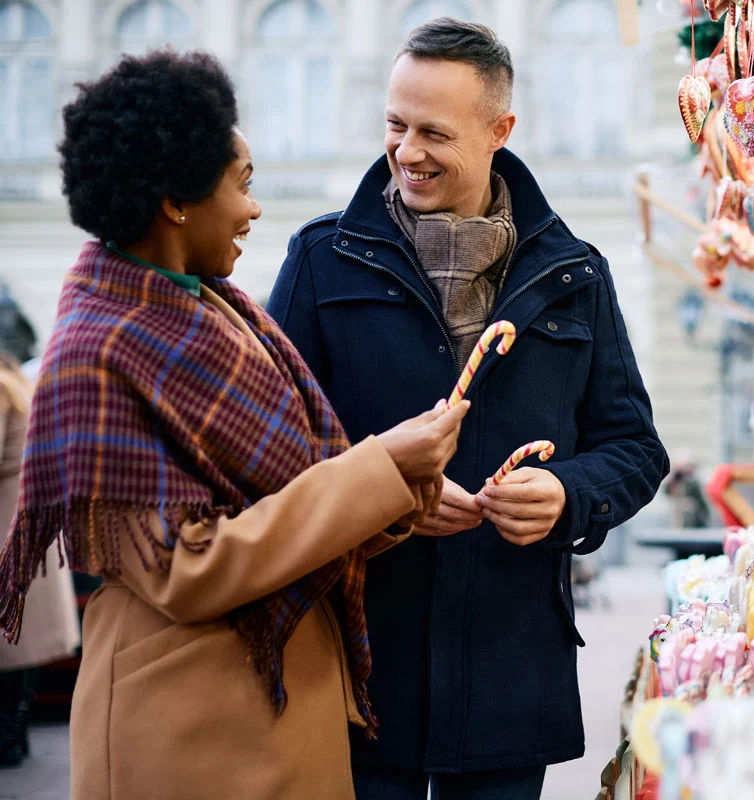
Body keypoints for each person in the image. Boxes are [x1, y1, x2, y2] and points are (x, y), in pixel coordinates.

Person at [0, 50, 469, 799]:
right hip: (192, 729)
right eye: (242, 184)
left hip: (269, 701)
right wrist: (379, 469)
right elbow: (184, 569)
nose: (254, 210)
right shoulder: (97, 346)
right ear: (177, 199)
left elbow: (291, 490)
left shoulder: (212, 303)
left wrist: (399, 492)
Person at [267, 18, 669, 799]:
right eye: (394, 125)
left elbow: (635, 449)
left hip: (510, 673)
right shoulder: (321, 260)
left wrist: (568, 497)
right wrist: (383, 496)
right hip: (357, 672)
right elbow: (271, 449)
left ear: (499, 131)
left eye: (433, 132)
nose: (406, 151)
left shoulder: (575, 273)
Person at [0, 351, 80, 767]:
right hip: (26, 513)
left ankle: (8, 736)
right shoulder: (16, 383)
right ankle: (14, 731)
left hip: (7, 521)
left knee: (9, 643)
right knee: (19, 643)